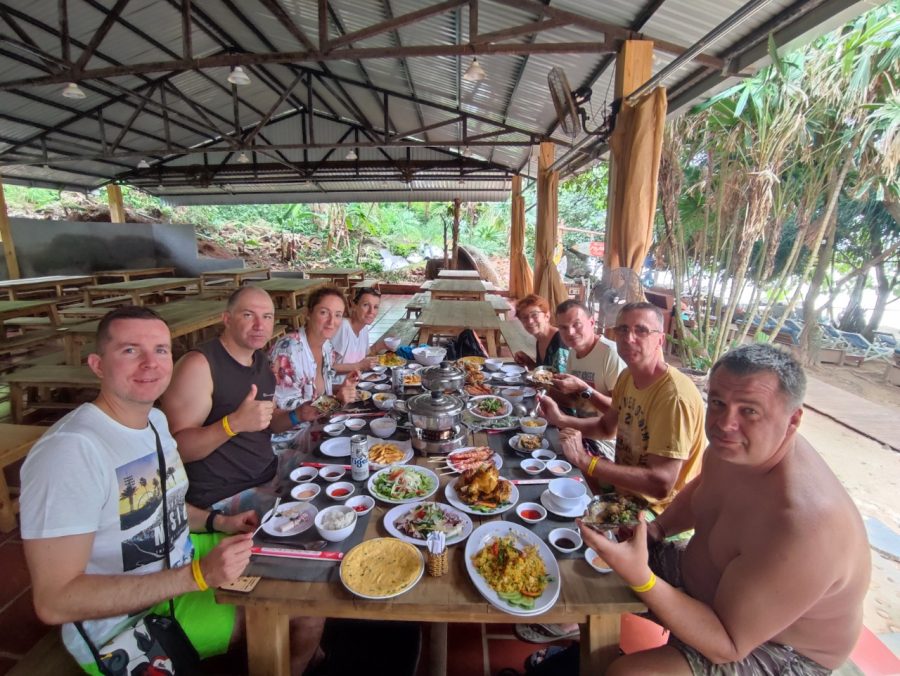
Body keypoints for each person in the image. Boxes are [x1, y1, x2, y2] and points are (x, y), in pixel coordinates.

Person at [546, 343, 871, 675]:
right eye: (717, 403)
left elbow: (727, 644)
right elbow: (700, 490)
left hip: (772, 647)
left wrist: (642, 578)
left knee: (625, 674)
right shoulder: (736, 449)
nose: (724, 424)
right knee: (591, 553)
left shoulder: (805, 525)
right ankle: (585, 645)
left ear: (793, 419)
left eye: (750, 411)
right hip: (706, 582)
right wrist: (656, 531)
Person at [19, 306, 257, 673]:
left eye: (161, 350)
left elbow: (162, 505)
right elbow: (54, 601)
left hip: (178, 564)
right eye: (131, 350)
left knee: (286, 556)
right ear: (97, 364)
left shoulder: (155, 422)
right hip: (126, 626)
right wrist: (197, 576)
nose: (151, 363)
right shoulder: (70, 452)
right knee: (279, 611)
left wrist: (219, 522)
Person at [517, 301, 706, 645]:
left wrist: (587, 463)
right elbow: (606, 427)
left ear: (659, 339)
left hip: (660, 513)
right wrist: (561, 420)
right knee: (552, 502)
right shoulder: (628, 378)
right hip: (623, 490)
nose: (630, 338)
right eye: (623, 330)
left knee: (573, 533)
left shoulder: (673, 396)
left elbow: (663, 484)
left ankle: (581, 619)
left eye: (641, 331)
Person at [161, 286, 301, 513]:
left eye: (267, 317)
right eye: (248, 315)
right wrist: (233, 423)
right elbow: (178, 450)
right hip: (225, 495)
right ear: (226, 319)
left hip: (268, 472)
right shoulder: (199, 365)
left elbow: (266, 422)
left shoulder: (260, 360)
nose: (259, 325)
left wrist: (299, 414)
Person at [269, 286, 360, 412]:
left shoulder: (327, 346)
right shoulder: (288, 350)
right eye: (324, 312)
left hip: (322, 422)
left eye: (338, 315)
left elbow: (317, 394)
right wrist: (335, 401)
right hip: (296, 430)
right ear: (308, 313)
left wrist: (343, 387)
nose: (331, 321)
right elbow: (283, 406)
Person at [548, 299, 624, 419]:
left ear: (592, 322)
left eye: (576, 324)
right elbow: (575, 401)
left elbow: (621, 411)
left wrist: (584, 388)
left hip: (604, 436)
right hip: (582, 428)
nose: (570, 332)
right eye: (563, 327)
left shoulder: (611, 353)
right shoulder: (573, 352)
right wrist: (544, 388)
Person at [332, 286, 388, 380]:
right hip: (338, 388)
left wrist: (380, 346)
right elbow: (326, 367)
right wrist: (358, 366)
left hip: (357, 382)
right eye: (366, 305)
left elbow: (363, 356)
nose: (371, 311)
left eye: (375, 307)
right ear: (354, 305)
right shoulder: (343, 327)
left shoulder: (364, 328)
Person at [512, 293, 569, 373]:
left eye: (534, 315)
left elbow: (561, 377)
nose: (530, 321)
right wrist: (529, 362)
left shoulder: (559, 339)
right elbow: (545, 373)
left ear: (547, 316)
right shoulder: (540, 339)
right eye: (524, 317)